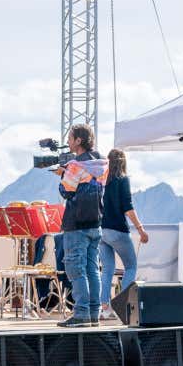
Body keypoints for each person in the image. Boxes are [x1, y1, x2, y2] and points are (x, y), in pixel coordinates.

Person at [55, 124, 106, 327]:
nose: (68, 141)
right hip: (96, 222)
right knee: (92, 269)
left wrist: (62, 174)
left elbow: (66, 190)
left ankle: (81, 313)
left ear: (78, 140)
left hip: (76, 224)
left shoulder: (76, 165)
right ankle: (94, 312)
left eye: (70, 137)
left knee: (76, 269)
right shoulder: (102, 163)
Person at [98, 148, 148, 316]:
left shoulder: (103, 180)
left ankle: (104, 307)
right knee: (131, 266)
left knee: (107, 269)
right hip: (117, 229)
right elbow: (128, 207)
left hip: (101, 230)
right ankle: (122, 305)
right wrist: (141, 230)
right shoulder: (122, 180)